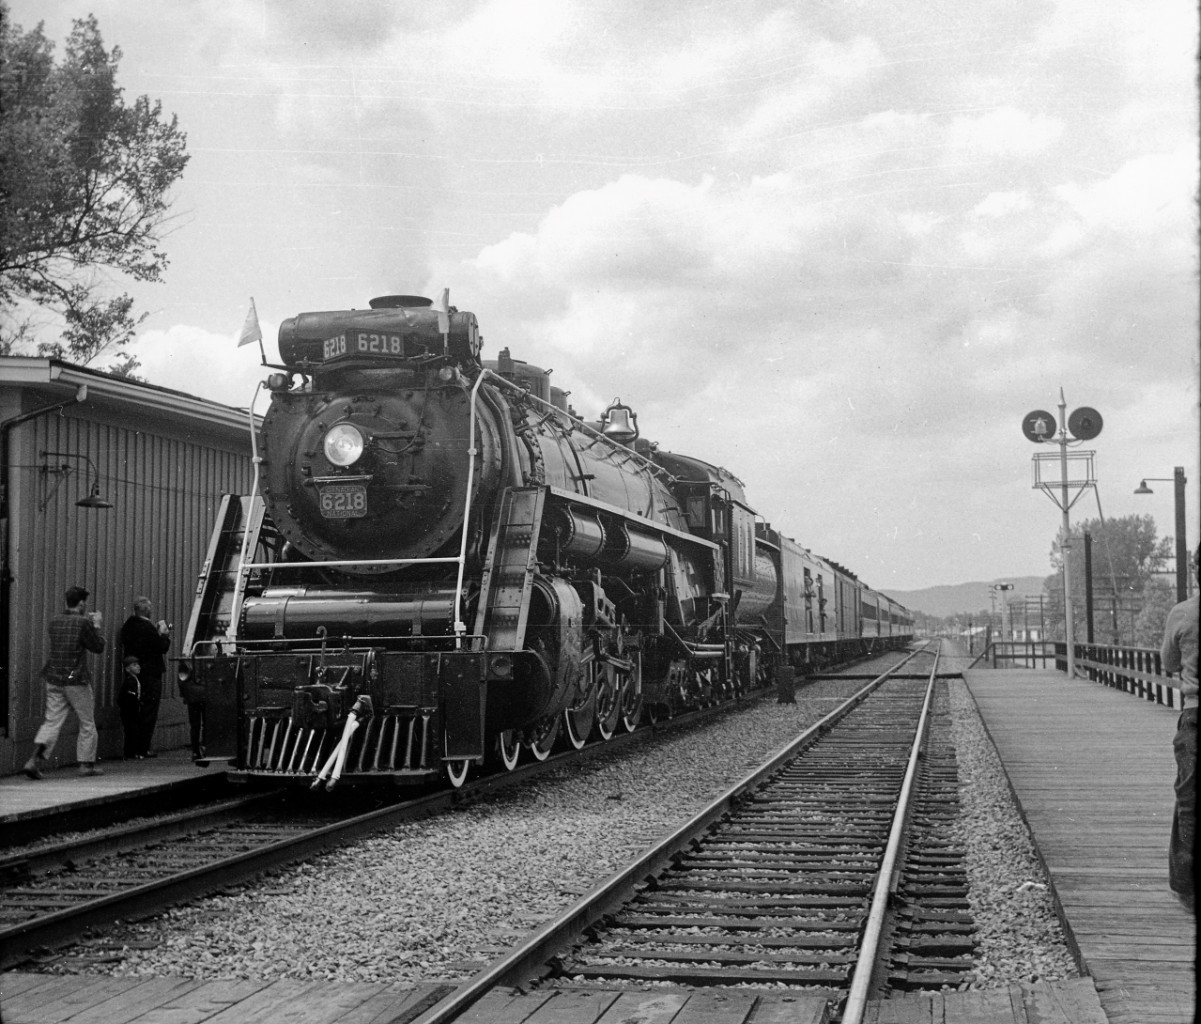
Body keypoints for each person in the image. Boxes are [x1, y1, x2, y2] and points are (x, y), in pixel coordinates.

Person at [23, 586, 107, 779]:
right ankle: (86, 765)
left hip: (53, 677)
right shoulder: (83, 623)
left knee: (52, 721)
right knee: (87, 722)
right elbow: (97, 646)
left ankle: (33, 761)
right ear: (82, 603)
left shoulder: (54, 621)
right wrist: (96, 626)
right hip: (75, 679)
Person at [1161, 544, 1199, 913]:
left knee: (1189, 803)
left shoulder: (1183, 612)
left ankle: (1188, 888)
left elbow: (1169, 662)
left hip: (1194, 716)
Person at [119, 597, 171, 757]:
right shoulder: (148, 628)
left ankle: (131, 748)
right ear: (148, 610)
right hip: (151, 674)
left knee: (133, 712)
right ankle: (143, 747)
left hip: (134, 674)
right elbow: (161, 647)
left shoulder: (127, 626)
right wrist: (163, 634)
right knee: (149, 710)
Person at [177, 660, 206, 760]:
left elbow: (181, 679)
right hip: (205, 692)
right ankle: (205, 748)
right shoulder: (207, 656)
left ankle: (195, 751)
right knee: (207, 724)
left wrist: (184, 695)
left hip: (192, 695)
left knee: (195, 725)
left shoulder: (187, 659)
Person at [117, 655, 143, 759]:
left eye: (138, 664)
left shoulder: (134, 679)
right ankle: (129, 752)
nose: (138, 667)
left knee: (132, 731)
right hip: (130, 711)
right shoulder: (130, 681)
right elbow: (127, 698)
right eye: (134, 665)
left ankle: (131, 752)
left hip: (132, 710)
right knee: (130, 731)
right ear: (128, 669)